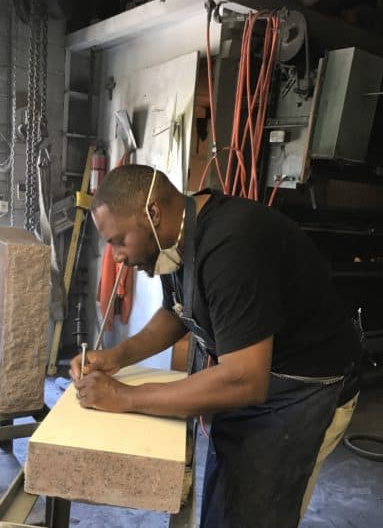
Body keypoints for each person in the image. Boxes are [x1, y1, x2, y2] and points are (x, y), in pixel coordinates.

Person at [70, 164, 362, 528]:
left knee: (255, 514)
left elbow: (243, 379)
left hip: (303, 388)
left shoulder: (231, 244)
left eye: (117, 241)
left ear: (152, 213)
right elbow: (176, 312)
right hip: (257, 380)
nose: (116, 257)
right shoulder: (173, 242)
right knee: (224, 505)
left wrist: (125, 397)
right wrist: (116, 357)